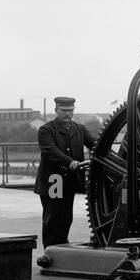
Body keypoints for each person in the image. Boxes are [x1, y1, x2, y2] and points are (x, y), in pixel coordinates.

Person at [34, 96, 96, 264]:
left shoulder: (80, 129)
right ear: (56, 111)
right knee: (53, 215)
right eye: (64, 111)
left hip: (69, 180)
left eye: (71, 110)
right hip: (54, 179)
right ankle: (50, 253)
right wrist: (70, 162)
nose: (68, 114)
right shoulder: (46, 130)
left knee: (66, 215)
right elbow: (50, 151)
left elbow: (96, 146)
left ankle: (61, 247)